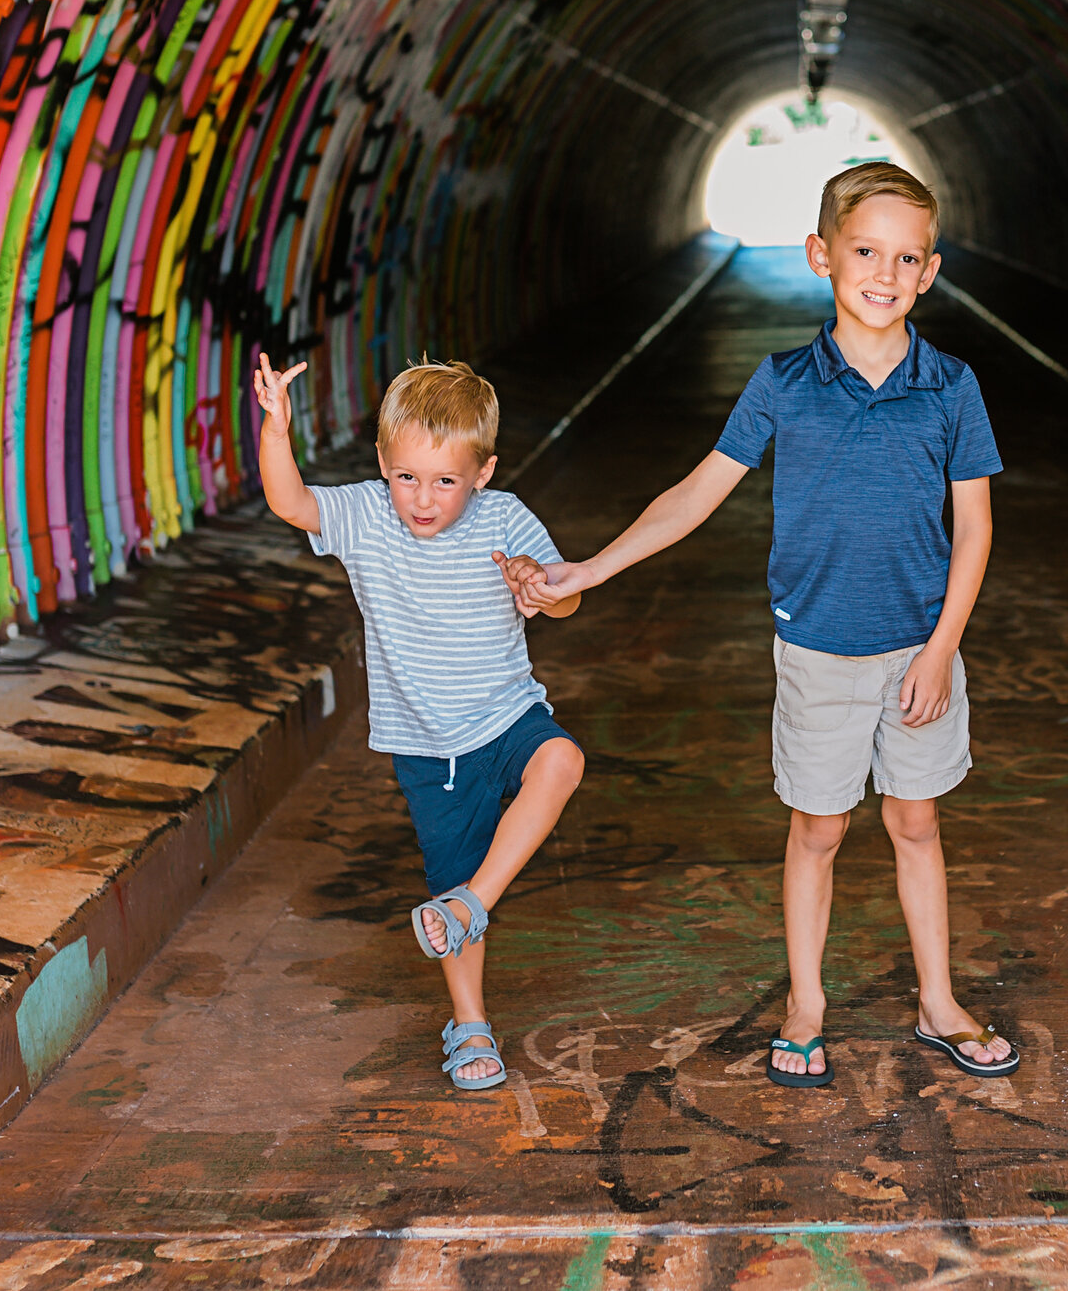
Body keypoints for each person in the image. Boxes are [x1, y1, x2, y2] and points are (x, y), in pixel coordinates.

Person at [509, 163, 1017, 1088]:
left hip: (919, 650)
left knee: (915, 820)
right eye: (865, 250)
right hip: (818, 648)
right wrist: (588, 567)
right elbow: (697, 495)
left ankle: (938, 1000)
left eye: (906, 258)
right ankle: (807, 1003)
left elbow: (975, 525)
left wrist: (943, 647)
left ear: (930, 271)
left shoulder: (951, 387)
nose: (884, 272)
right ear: (821, 254)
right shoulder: (785, 382)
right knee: (817, 830)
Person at [253, 354, 585, 1093]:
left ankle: (474, 903)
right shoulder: (367, 514)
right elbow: (291, 502)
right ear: (383, 463)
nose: (423, 499)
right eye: (407, 476)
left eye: (445, 481)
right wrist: (277, 426)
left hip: (505, 714)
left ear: (484, 471)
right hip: (428, 746)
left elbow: (566, 595)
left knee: (561, 761)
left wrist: (539, 589)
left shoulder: (506, 518)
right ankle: (469, 1022)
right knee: (449, 875)